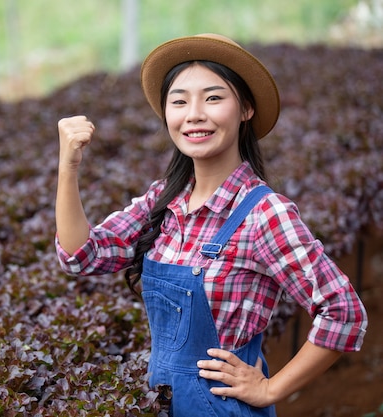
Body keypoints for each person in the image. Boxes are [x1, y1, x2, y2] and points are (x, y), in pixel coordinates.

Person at [54, 33, 367, 416]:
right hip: (162, 404)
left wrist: (271, 389)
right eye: (180, 101)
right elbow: (81, 257)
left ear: (246, 109)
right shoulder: (163, 202)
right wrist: (68, 169)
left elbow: (344, 312)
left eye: (213, 98)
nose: (194, 114)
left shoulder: (264, 214)